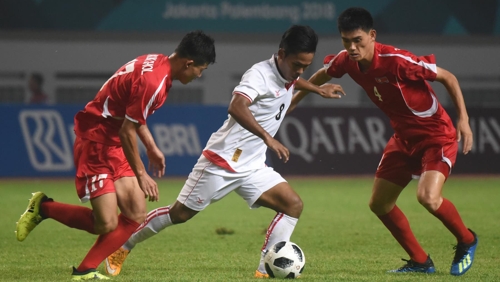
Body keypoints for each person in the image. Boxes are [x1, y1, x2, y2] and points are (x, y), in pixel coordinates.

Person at [104, 25, 345, 278]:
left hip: (252, 165)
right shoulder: (259, 75)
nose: (299, 71)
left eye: (305, 66)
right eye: (297, 64)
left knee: (293, 205)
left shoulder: (288, 76)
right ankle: (122, 246)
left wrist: (317, 88)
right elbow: (236, 106)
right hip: (222, 161)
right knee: (179, 214)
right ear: (282, 54)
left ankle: (264, 269)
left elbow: (292, 81)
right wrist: (267, 138)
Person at [289, 7, 478, 276]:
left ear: (372, 35)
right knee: (379, 204)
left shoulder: (397, 61)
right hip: (403, 139)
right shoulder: (346, 61)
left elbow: (448, 77)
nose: (352, 48)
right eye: (346, 41)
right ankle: (420, 262)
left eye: (358, 40)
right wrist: (295, 102)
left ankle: (467, 240)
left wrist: (464, 120)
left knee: (427, 197)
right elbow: (322, 73)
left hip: (436, 136)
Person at [15, 30, 216, 280]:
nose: (199, 75)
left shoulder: (155, 63)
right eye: (201, 70)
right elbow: (126, 130)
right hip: (96, 142)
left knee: (135, 214)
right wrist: (142, 174)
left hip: (113, 142)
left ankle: (84, 271)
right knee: (106, 223)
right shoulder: (154, 82)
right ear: (189, 63)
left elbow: (132, 116)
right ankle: (43, 208)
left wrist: (151, 147)